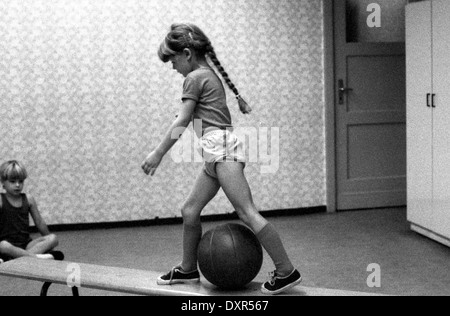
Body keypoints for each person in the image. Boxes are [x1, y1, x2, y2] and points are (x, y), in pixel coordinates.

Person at [141, 23, 301, 295]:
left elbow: (183, 120)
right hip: (215, 155)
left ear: (188, 53)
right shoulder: (208, 75)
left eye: (173, 60)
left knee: (246, 212)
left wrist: (157, 153)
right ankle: (189, 268)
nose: (172, 66)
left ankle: (287, 271)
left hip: (223, 153)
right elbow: (196, 119)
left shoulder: (194, 78)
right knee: (190, 210)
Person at [0, 160, 64, 263]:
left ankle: (15, 259)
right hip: (8, 244)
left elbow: (39, 222)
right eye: (12, 181)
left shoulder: (28, 199)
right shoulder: (1, 200)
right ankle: (36, 258)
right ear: (3, 182)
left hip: (26, 244)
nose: (17, 185)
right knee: (2, 245)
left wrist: (49, 244)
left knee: (53, 238)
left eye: (20, 181)